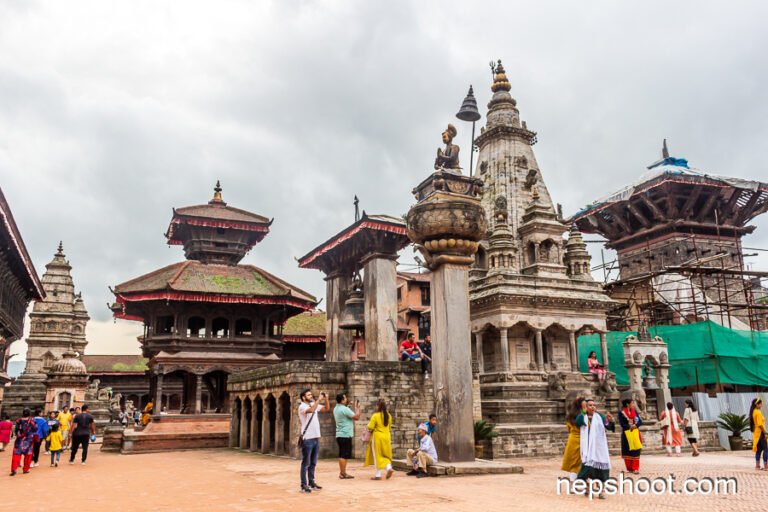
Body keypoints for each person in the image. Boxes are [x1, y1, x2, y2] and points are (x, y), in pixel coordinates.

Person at [575, 399, 615, 499]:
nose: (593, 407)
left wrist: (611, 420)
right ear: (586, 407)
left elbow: (608, 426)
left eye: (594, 405)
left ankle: (601, 491)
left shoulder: (600, 417)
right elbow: (578, 422)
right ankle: (588, 487)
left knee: (601, 471)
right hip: (587, 449)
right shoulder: (583, 417)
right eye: (590, 405)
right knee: (587, 470)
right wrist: (583, 412)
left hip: (598, 449)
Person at [298, 388, 330, 493]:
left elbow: (327, 408)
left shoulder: (313, 404)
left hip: (316, 437)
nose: (311, 396)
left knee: (313, 462)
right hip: (307, 438)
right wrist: (318, 400)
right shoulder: (302, 406)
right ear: (303, 397)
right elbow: (311, 410)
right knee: (305, 463)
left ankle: (311, 482)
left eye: (311, 394)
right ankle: (304, 485)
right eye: (308, 395)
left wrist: (326, 399)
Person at [364, 398, 394, 480]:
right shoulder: (389, 416)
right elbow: (389, 427)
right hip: (386, 436)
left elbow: (370, 427)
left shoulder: (375, 415)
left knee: (377, 455)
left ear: (378, 406)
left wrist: (368, 426)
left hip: (377, 437)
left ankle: (378, 475)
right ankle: (389, 468)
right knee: (385, 455)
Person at [333, 392, 360, 480]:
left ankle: (343, 472)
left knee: (342, 454)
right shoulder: (344, 409)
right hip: (345, 434)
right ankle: (343, 473)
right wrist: (358, 408)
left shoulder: (336, 408)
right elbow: (356, 417)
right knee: (344, 455)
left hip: (340, 434)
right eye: (345, 398)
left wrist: (348, 406)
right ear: (342, 400)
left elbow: (344, 413)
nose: (346, 399)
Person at [561, 397, 585, 481]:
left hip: (572, 439)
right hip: (582, 439)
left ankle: (573, 481)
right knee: (580, 461)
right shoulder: (583, 415)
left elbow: (568, 428)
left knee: (573, 462)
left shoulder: (570, 416)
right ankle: (579, 481)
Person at [10, 408, 37, 476]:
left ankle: (14, 469)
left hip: (19, 439)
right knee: (28, 455)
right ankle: (26, 469)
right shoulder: (32, 420)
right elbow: (35, 429)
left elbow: (16, 430)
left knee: (16, 455)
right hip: (29, 440)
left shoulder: (19, 420)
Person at [618, 398, 643, 473]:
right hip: (627, 434)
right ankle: (629, 467)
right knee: (627, 450)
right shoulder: (622, 413)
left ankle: (635, 468)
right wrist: (629, 427)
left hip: (635, 433)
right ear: (627, 404)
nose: (633, 405)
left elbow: (640, 421)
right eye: (632, 403)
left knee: (636, 450)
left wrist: (635, 425)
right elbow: (622, 424)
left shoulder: (634, 412)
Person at [749, 398, 767, 470]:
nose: (761, 405)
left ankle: (757, 466)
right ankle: (766, 466)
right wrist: (765, 432)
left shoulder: (753, 412)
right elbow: (760, 424)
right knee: (766, 449)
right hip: (761, 433)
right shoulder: (758, 412)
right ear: (757, 404)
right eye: (760, 404)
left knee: (758, 450)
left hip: (756, 434)